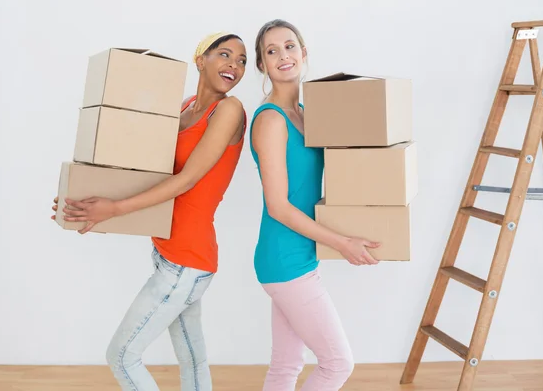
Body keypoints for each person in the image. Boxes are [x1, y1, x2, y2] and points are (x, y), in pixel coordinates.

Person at [50, 32, 248, 391]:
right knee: (191, 357)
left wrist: (114, 208)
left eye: (242, 59)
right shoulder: (186, 106)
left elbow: (186, 180)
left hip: (189, 259)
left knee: (122, 356)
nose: (234, 64)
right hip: (166, 252)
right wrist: (84, 200)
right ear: (200, 59)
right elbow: (145, 168)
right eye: (224, 54)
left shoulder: (230, 110)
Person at [249, 19, 381, 391]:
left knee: (286, 366)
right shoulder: (271, 120)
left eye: (289, 46)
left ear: (304, 53)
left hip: (299, 254)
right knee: (338, 364)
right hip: (284, 257)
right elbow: (278, 206)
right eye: (271, 51)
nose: (282, 56)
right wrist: (342, 242)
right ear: (262, 65)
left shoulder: (307, 113)